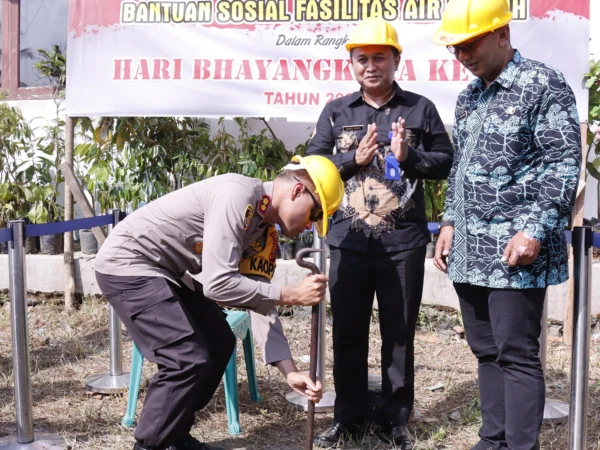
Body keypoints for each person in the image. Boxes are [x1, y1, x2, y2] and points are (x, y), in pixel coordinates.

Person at [94, 155, 344, 450]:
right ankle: (149, 445)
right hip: (128, 264)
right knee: (185, 358)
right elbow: (218, 285)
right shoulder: (236, 195)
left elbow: (260, 301)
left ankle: (175, 436)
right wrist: (291, 294)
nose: (310, 226)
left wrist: (290, 371)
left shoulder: (265, 233)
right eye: (315, 214)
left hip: (165, 272)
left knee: (218, 343)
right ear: (298, 190)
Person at [432, 0, 582, 449]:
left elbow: (563, 162)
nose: (463, 56)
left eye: (470, 44)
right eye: (455, 48)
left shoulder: (543, 85)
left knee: (516, 354)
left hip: (515, 250)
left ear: (502, 34)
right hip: (469, 250)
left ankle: (520, 446)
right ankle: (492, 439)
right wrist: (449, 222)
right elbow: (460, 167)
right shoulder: (470, 95)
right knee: (485, 350)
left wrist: (535, 229)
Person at [306, 17, 453, 449]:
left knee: (399, 333)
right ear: (351, 64)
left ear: (396, 60)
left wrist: (409, 157)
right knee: (348, 331)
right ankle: (347, 418)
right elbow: (313, 169)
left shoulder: (421, 108)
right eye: (362, 59)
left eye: (379, 58)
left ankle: (395, 420)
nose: (371, 66)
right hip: (348, 243)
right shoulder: (336, 112)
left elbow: (445, 161)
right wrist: (352, 158)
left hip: (402, 244)